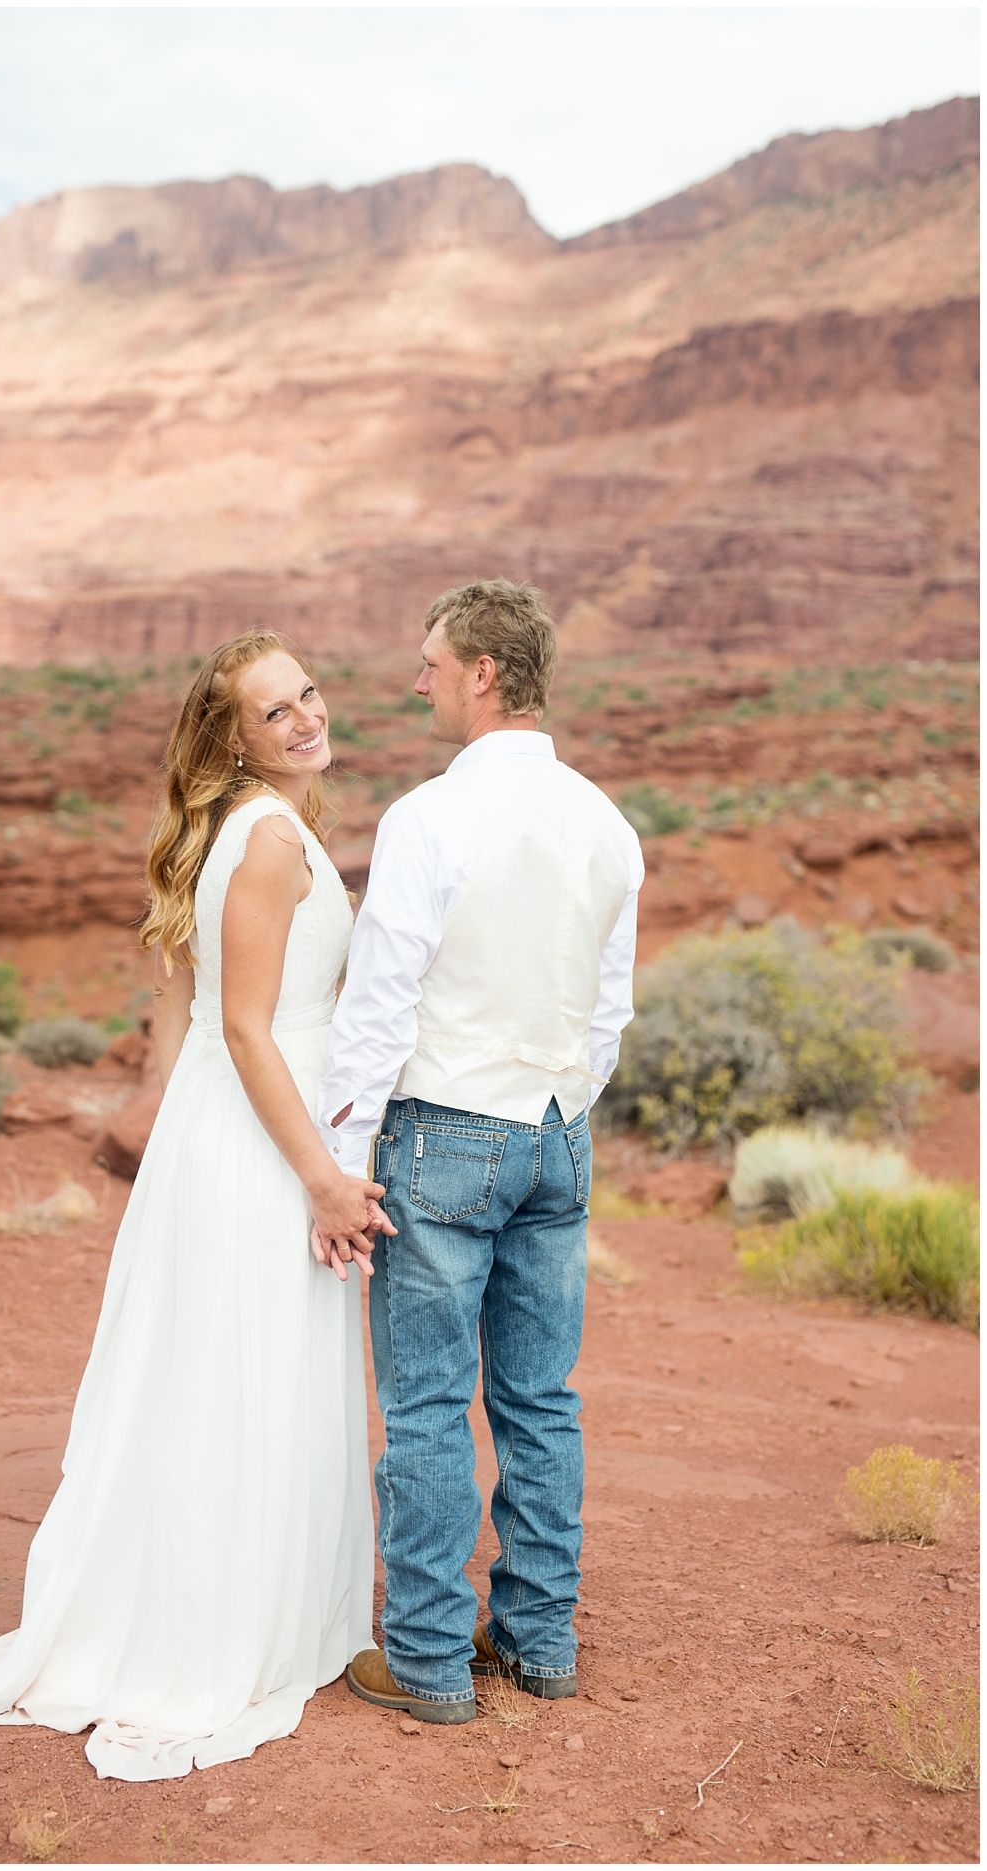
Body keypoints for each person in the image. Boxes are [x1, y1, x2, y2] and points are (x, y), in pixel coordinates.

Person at [0, 630, 391, 1781]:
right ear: (231, 738)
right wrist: (322, 1178)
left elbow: (189, 1023)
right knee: (247, 1378)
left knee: (218, 1379)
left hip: (225, 1135)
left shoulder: (245, 830)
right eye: (273, 709)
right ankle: (224, 1626)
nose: (303, 718)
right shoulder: (271, 840)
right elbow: (241, 1029)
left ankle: (231, 1600)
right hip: (260, 1145)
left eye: (309, 695)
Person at [313, 580, 643, 1725]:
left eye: (431, 661)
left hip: (444, 1134)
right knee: (541, 1400)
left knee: (424, 1402)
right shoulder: (606, 821)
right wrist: (552, 1103)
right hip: (558, 1137)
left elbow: (379, 999)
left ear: (483, 672)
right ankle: (539, 1644)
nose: (419, 680)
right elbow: (609, 1013)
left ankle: (427, 1661)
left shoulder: (426, 816)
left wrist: (339, 1162)